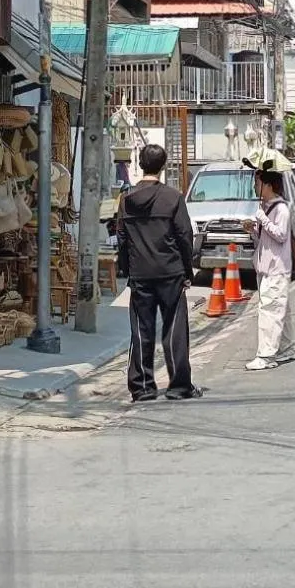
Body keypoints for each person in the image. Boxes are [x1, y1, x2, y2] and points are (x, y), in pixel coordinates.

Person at [116, 143, 202, 403]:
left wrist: (126, 270)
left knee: (141, 331)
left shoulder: (127, 200)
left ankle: (142, 387)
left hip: (140, 274)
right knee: (174, 330)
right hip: (170, 272)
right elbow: (185, 236)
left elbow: (121, 238)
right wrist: (188, 270)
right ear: (163, 166)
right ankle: (178, 386)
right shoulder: (173, 198)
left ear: (140, 164)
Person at [245, 164, 295, 371]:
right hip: (266, 266)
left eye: (257, 183)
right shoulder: (268, 208)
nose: (254, 187)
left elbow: (280, 235)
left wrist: (262, 219)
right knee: (282, 310)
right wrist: (253, 229)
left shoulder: (281, 208)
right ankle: (287, 347)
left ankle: (267, 354)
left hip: (276, 268)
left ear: (268, 185)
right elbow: (265, 239)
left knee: (270, 311)